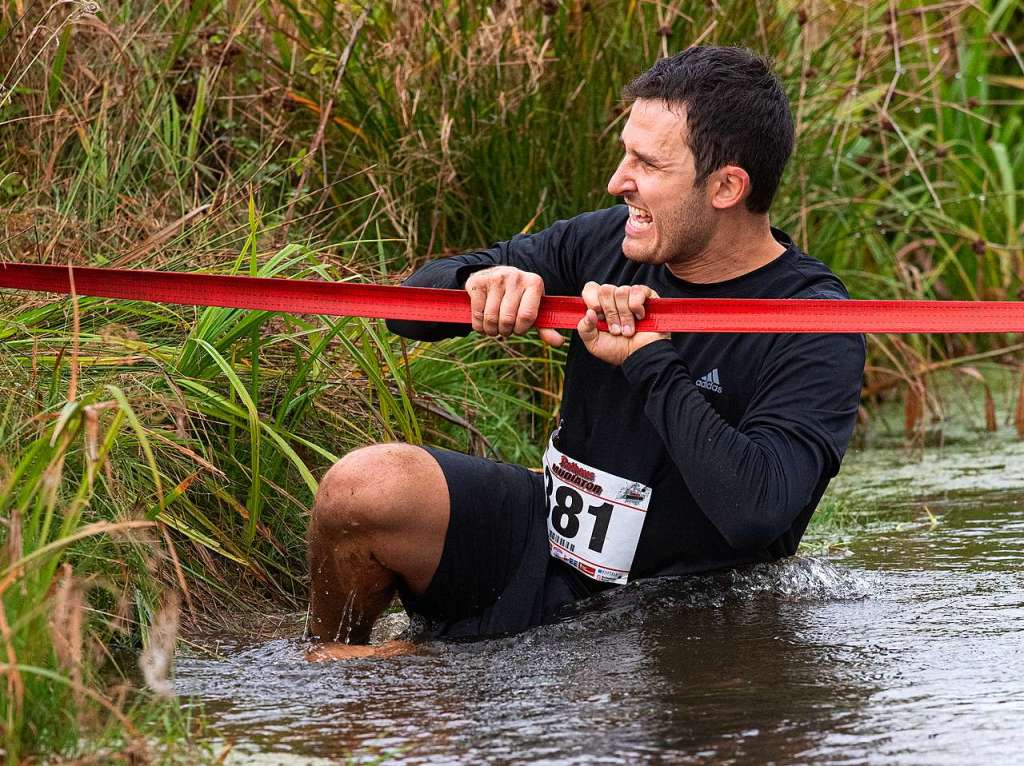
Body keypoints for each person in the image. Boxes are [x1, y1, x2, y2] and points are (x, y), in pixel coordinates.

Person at [305, 45, 865, 659]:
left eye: (647, 164)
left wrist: (647, 360)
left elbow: (758, 510)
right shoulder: (608, 237)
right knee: (361, 489)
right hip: (549, 546)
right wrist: (477, 284)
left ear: (727, 185)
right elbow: (403, 312)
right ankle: (330, 664)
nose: (617, 181)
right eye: (625, 153)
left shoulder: (815, 321)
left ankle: (424, 669)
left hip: (684, 604)